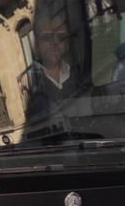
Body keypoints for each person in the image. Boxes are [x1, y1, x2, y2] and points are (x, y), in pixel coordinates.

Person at [20, 9, 90, 142]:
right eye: (47, 37)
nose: (55, 43)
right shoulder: (29, 85)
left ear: (67, 43)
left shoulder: (81, 74)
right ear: (37, 45)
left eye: (62, 37)